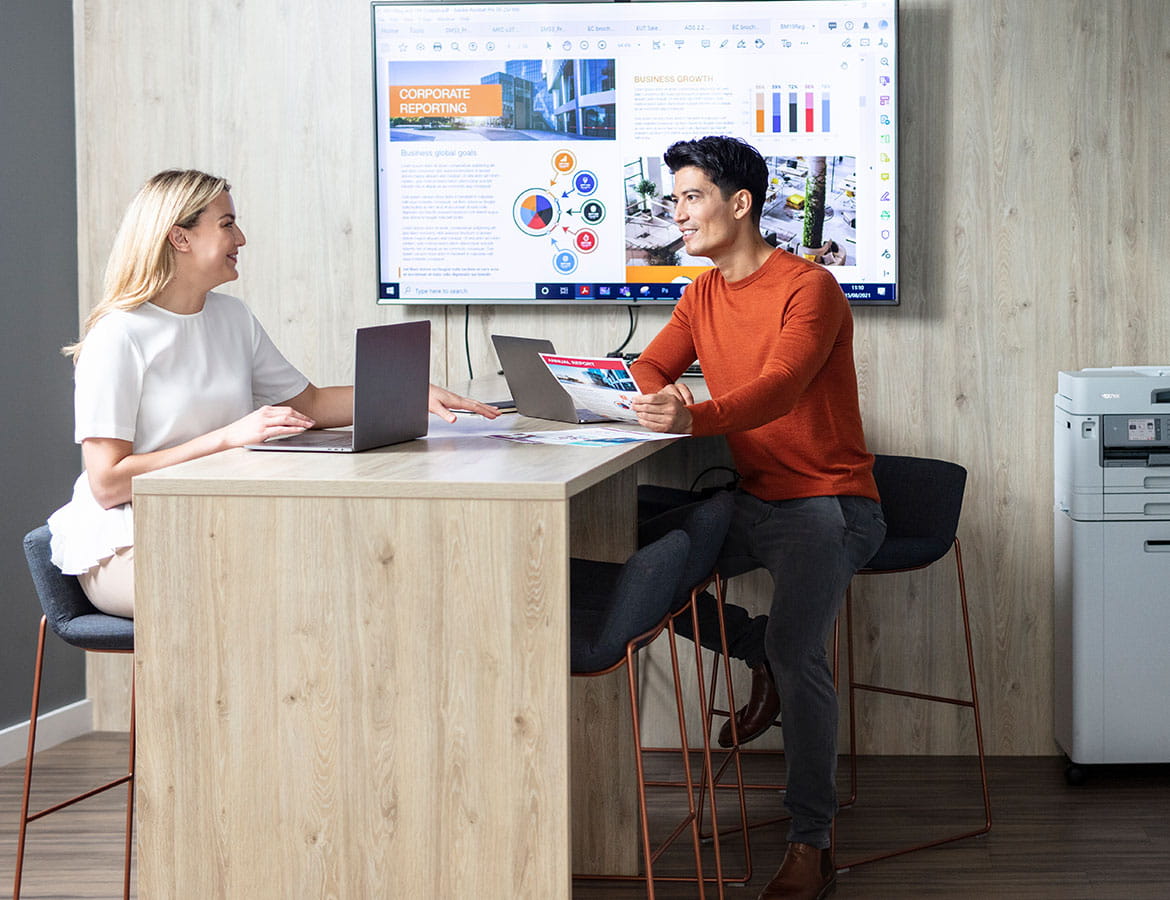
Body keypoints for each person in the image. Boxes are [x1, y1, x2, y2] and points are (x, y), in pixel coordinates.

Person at [48, 169, 498, 620]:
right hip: (131, 541)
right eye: (226, 224)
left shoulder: (232, 317)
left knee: (352, 567)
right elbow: (107, 483)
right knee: (284, 593)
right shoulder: (119, 335)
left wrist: (410, 393)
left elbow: (312, 405)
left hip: (215, 521)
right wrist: (228, 437)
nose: (240, 237)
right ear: (179, 238)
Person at [631, 136, 885, 900]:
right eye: (673, 199)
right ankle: (756, 650)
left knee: (801, 647)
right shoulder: (700, 293)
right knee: (631, 554)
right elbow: (651, 365)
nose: (676, 213)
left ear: (740, 204)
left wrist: (690, 418)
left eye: (691, 197)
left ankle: (811, 842)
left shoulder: (809, 289)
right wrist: (660, 393)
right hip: (756, 499)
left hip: (830, 500)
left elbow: (778, 389)